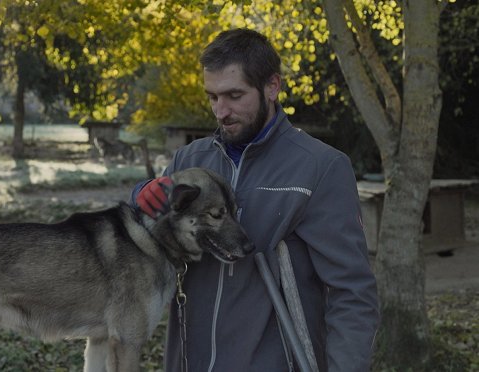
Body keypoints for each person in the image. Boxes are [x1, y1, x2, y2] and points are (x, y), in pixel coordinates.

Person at [133, 28, 379, 372]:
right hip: (190, 362)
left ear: (272, 87)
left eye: (234, 95)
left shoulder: (320, 168)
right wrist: (140, 198)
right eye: (213, 97)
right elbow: (142, 246)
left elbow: (352, 294)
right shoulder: (188, 162)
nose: (221, 111)